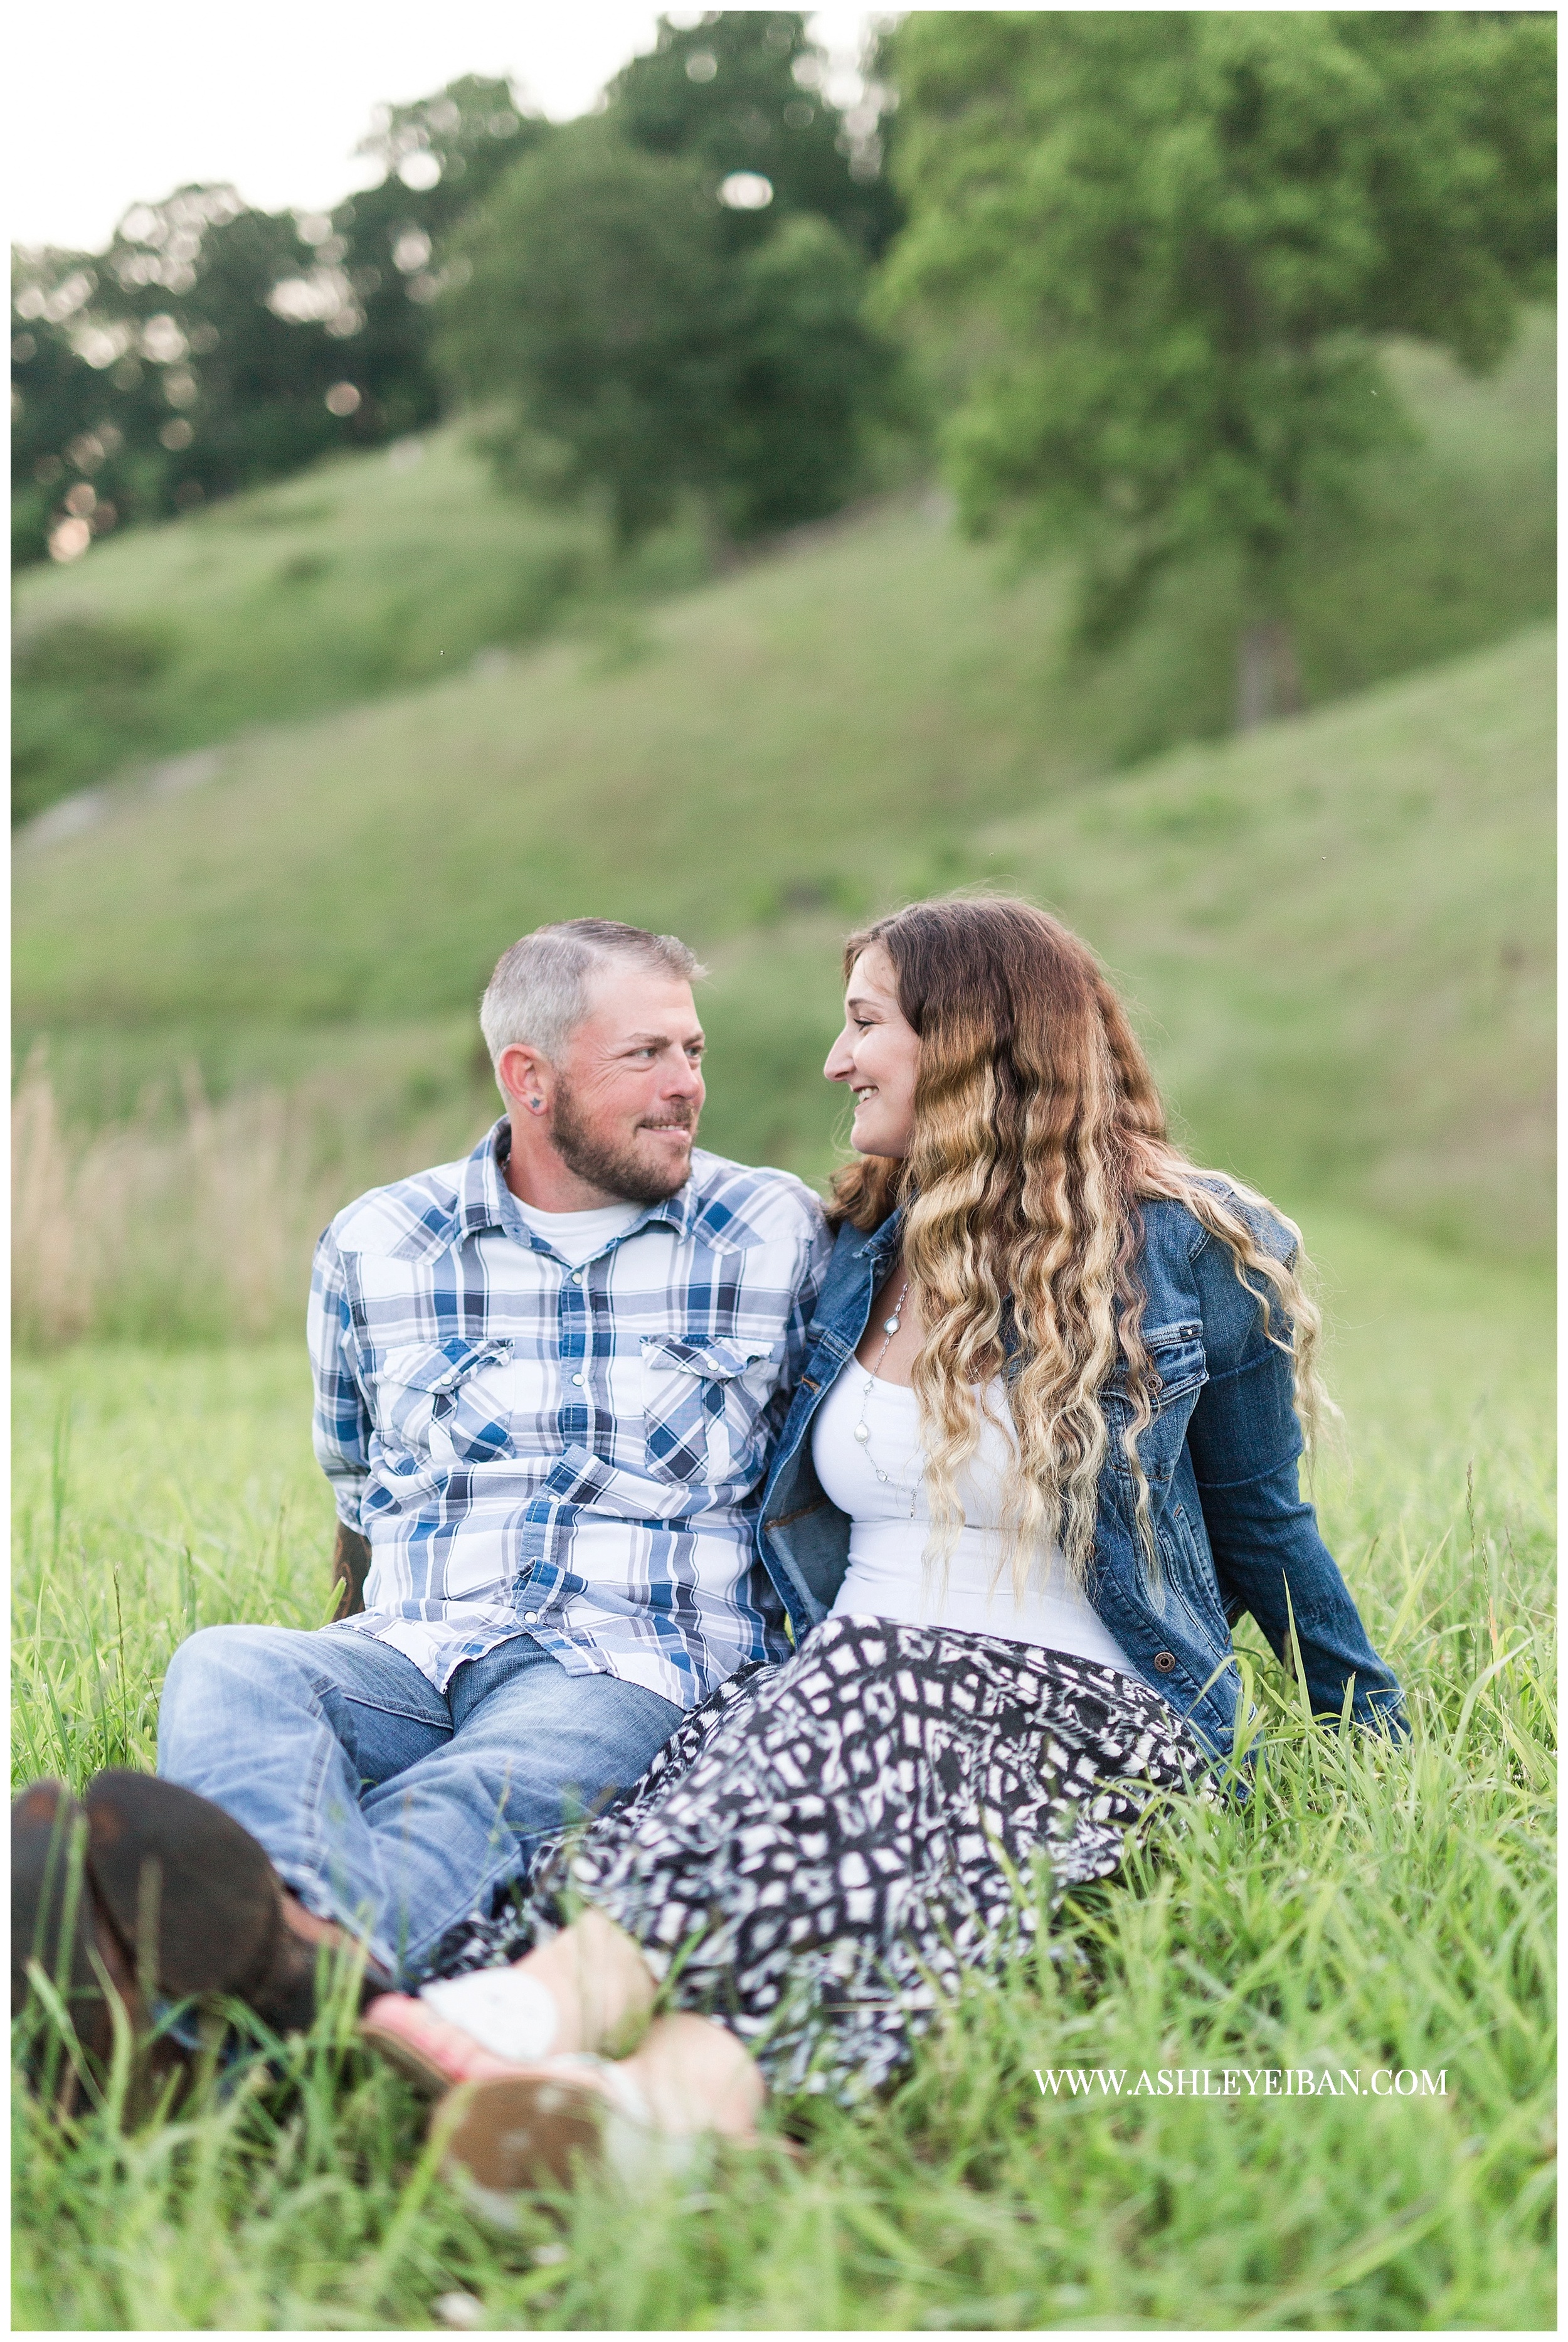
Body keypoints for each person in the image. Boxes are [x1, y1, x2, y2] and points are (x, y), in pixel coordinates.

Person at [358, 897, 1407, 2193]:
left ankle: (549, 1999)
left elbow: (1260, 1521)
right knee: (820, 1784)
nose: (833, 1060)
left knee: (870, 1699)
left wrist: (1375, 1750)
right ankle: (668, 2104)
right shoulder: (857, 1240)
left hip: (1078, 1721)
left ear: (967, 1040)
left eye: (863, 1024)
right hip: (831, 1699)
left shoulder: (1182, 1246)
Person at [12, 920, 830, 2072]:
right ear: (529, 1078)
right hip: (413, 1647)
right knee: (229, 1663)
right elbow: (357, 1485)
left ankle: (198, 2017)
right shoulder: (376, 1242)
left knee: (481, 1789)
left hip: (631, 1663)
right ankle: (288, 1977)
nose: (688, 1083)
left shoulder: (775, 1233)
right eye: (645, 1055)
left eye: (693, 1050)